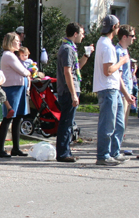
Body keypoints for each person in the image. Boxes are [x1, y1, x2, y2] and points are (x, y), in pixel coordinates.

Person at [93, 15, 133, 166]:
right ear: (115, 27)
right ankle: (103, 155)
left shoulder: (103, 42)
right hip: (108, 88)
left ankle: (114, 152)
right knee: (108, 124)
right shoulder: (107, 46)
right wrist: (122, 61)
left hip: (113, 88)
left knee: (118, 123)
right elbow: (108, 70)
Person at [55, 23, 92, 163]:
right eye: (82, 33)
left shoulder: (71, 49)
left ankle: (66, 151)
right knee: (66, 122)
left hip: (72, 89)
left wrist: (87, 55)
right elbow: (67, 72)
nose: (83, 36)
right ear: (75, 34)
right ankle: (63, 153)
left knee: (69, 122)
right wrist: (73, 94)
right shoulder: (67, 49)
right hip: (68, 91)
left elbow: (77, 68)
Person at [0, 32, 32, 158]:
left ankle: (16, 147)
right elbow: (22, 71)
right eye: (16, 41)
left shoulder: (13, 55)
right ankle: (0, 148)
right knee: (8, 117)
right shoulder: (8, 55)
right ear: (10, 42)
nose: (19, 43)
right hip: (12, 89)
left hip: (19, 88)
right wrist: (28, 72)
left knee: (18, 118)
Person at [116, 25, 136, 133]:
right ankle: (115, 149)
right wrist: (126, 94)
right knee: (119, 125)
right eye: (132, 36)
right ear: (124, 37)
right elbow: (118, 77)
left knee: (123, 124)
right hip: (121, 93)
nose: (134, 38)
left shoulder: (125, 51)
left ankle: (118, 147)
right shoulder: (118, 51)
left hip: (126, 92)